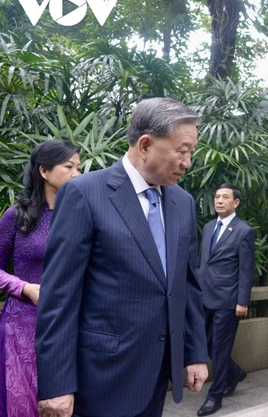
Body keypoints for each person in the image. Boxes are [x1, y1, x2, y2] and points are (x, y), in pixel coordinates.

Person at [35, 97, 209, 417]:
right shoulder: (85, 194)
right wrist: (57, 383)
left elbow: (187, 284)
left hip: (156, 376)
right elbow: (59, 296)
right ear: (145, 145)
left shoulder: (182, 202)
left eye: (191, 153)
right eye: (182, 151)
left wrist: (194, 352)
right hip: (100, 378)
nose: (187, 163)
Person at [0, 140, 80, 417]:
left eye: (79, 167)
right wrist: (24, 287)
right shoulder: (17, 217)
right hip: (22, 324)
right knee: (24, 404)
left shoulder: (81, 216)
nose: (77, 174)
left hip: (71, 321)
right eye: (69, 167)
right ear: (44, 171)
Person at [196, 183, 255, 416]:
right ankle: (234, 372)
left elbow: (246, 269)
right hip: (205, 296)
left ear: (236, 203)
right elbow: (203, 262)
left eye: (225, 197)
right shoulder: (210, 227)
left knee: (220, 348)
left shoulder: (244, 231)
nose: (219, 201)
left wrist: (243, 301)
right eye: (217, 196)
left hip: (228, 299)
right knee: (207, 344)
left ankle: (215, 396)